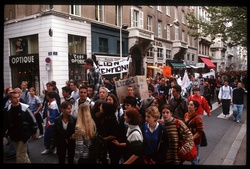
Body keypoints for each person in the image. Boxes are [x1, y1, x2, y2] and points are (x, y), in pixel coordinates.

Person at [3, 91, 38, 163]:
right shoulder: (7, 109)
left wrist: (34, 132)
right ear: (10, 99)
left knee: (19, 155)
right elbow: (5, 123)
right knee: (22, 154)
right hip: (13, 135)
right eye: (15, 97)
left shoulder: (25, 108)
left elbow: (32, 120)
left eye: (18, 97)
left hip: (24, 135)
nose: (17, 99)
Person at [184, 100, 205, 165]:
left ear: (195, 107)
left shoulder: (197, 118)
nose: (189, 106)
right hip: (187, 139)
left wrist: (192, 138)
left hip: (195, 141)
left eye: (191, 105)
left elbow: (201, 130)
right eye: (189, 104)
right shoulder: (186, 115)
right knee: (189, 155)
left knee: (194, 158)